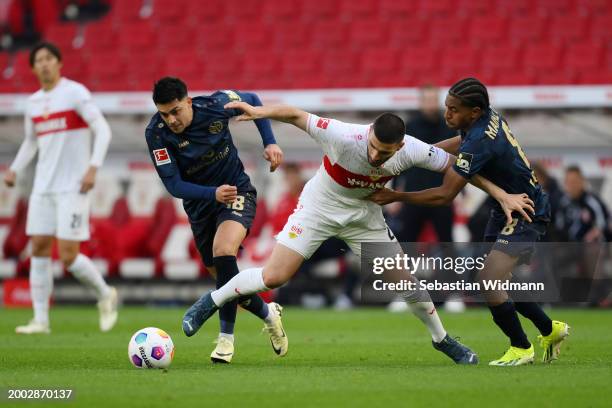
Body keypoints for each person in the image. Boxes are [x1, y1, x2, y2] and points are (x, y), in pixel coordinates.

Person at [179, 99, 534, 365]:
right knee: (275, 276)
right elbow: (296, 115)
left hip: (364, 216)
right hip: (320, 206)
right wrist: (260, 113)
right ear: (369, 136)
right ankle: (207, 303)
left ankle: (442, 340)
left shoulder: (411, 149)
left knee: (407, 284)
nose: (377, 155)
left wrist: (502, 194)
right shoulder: (343, 135)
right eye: (374, 147)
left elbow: (462, 168)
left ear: (399, 146)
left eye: (385, 152)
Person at [368, 78, 570, 366]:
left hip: (526, 210)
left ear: (474, 112)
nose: (447, 114)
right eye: (446, 107)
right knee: (497, 281)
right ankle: (550, 330)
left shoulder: (480, 141)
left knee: (488, 281)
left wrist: (394, 195)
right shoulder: (485, 118)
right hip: (506, 209)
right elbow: (459, 143)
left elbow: (444, 195)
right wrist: (418, 154)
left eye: (453, 109)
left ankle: (521, 348)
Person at [145, 77, 287, 363]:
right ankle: (269, 314)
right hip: (201, 205)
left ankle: (225, 340)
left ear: (188, 101)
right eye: (164, 114)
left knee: (224, 251)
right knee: (227, 282)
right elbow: (173, 185)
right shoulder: (156, 134)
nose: (171, 120)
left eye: (175, 111)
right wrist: (212, 194)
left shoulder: (216, 105)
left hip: (237, 191)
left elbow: (253, 100)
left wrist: (270, 142)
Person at [3, 42, 117, 334]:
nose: (44, 64)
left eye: (48, 58)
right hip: (43, 187)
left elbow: (102, 129)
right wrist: (15, 169)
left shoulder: (74, 93)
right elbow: (31, 141)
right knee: (39, 248)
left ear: (59, 62)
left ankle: (105, 294)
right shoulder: (33, 103)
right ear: (32, 68)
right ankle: (40, 320)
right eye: (38, 60)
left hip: (73, 187)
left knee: (68, 256)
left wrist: (93, 166)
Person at [393, 85, 457, 243]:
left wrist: (460, 192)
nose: (431, 104)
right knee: (407, 243)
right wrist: (395, 191)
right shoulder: (409, 127)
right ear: (421, 102)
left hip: (442, 195)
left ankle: (448, 269)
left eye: (434, 100)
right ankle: (405, 269)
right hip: (414, 194)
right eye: (427, 100)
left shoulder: (450, 126)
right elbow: (400, 159)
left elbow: (457, 161)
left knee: (447, 243)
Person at [556, 165, 611, 243]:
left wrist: (594, 235)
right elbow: (559, 228)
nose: (572, 186)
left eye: (575, 181)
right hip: (568, 250)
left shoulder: (593, 202)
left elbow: (604, 225)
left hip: (593, 251)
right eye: (569, 182)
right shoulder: (563, 203)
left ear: (582, 181)